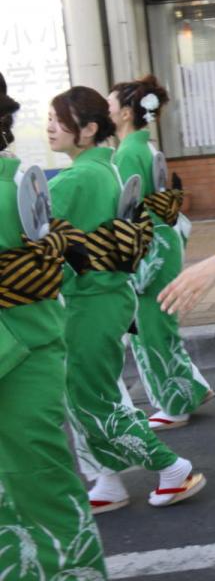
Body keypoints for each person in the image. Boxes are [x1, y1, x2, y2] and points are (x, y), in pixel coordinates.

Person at [47, 86, 205, 514]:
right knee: (93, 394)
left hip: (87, 302)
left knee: (91, 399)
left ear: (89, 128)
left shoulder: (77, 179)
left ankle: (172, 467)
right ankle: (107, 479)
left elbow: (44, 251)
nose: (49, 127)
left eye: (59, 119)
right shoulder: (108, 168)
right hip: (108, 295)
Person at [0, 75, 108, 578]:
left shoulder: (28, 189)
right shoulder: (25, 184)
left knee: (34, 490)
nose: (50, 129)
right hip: (41, 338)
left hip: (20, 353)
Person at [109, 74, 212, 429]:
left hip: (147, 248)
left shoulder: (127, 153)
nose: (107, 112)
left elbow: (127, 211)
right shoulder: (145, 147)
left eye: (110, 106)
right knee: (160, 323)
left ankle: (175, 404)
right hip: (162, 243)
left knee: (151, 328)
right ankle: (190, 389)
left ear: (125, 113)